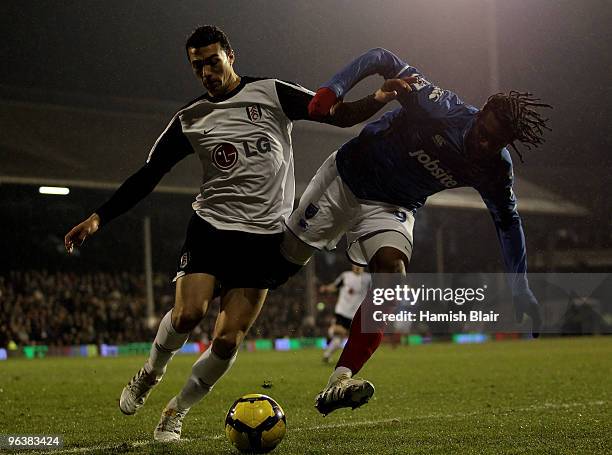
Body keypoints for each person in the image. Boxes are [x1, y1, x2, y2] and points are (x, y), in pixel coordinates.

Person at [64, 27, 407, 441]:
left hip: (263, 239)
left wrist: (378, 99)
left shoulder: (271, 93)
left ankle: (176, 412)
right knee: (188, 315)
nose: (206, 71)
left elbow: (333, 114)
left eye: (212, 61)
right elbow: (148, 174)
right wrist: (99, 218)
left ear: (230, 55)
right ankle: (150, 372)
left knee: (226, 341)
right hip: (211, 227)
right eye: (197, 66)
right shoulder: (190, 118)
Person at [277, 47, 552, 415]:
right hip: (347, 179)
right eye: (485, 133)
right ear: (481, 112)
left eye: (496, 142)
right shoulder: (440, 107)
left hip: (393, 206)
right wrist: (333, 88)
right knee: (281, 265)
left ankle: (339, 381)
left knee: (392, 278)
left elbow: (508, 221)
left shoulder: (495, 169)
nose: (485, 145)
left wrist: (521, 288)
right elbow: (381, 57)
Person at [319, 265, 371, 363]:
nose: (357, 267)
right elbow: (335, 286)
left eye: (360, 265)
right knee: (340, 333)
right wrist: (326, 288)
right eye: (356, 264)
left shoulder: (368, 278)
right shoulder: (345, 276)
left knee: (339, 340)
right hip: (342, 311)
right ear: (352, 266)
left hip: (356, 314)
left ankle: (327, 354)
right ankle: (333, 331)